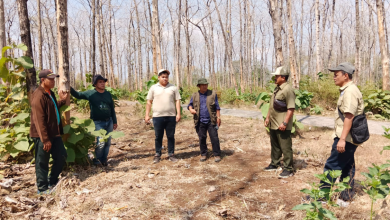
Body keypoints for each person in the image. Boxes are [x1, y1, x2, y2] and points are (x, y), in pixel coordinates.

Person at [321, 62, 364, 201]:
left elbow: (349, 116)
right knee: (347, 166)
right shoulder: (348, 89)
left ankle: (321, 197)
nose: (334, 77)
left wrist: (342, 139)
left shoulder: (350, 91)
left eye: (336, 75)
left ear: (345, 75)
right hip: (349, 137)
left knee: (332, 166)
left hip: (346, 137)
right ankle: (346, 196)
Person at [30, 69, 68, 194]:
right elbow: (39, 119)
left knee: (62, 155)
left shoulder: (49, 93)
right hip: (42, 135)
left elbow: (51, 108)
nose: (53, 81)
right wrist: (45, 139)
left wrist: (62, 101)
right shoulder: (38, 95)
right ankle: (42, 188)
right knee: (42, 161)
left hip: (54, 133)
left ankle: (52, 181)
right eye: (50, 79)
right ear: (42, 80)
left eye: (53, 79)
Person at [70, 74, 118, 166]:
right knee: (101, 142)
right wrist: (69, 88)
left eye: (103, 82)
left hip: (109, 121)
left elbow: (112, 108)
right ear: (95, 84)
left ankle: (104, 160)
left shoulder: (108, 94)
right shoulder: (91, 93)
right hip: (97, 122)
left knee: (107, 142)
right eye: (100, 82)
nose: (102, 83)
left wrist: (115, 121)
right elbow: (78, 95)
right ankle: (97, 160)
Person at [264, 66, 296, 178]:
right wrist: (267, 118)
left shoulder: (288, 90)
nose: (275, 78)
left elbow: (291, 108)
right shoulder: (277, 88)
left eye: (277, 76)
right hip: (274, 123)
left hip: (282, 124)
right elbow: (271, 105)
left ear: (283, 77)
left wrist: (285, 123)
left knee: (285, 147)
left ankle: (288, 169)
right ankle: (274, 163)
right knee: (275, 145)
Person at [145, 69, 181, 163]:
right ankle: (157, 154)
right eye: (163, 77)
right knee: (158, 136)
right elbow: (149, 101)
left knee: (170, 136)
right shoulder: (153, 88)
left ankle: (171, 154)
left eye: (166, 77)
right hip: (157, 116)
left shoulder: (173, 87)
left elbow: (177, 100)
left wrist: (178, 113)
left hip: (171, 116)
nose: (165, 79)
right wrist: (147, 115)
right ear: (159, 78)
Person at [188, 78, 222, 162]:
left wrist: (218, 117)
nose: (205, 86)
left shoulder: (213, 94)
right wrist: (191, 109)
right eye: (203, 85)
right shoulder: (195, 95)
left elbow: (217, 107)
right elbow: (190, 105)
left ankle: (217, 154)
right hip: (199, 121)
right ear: (199, 86)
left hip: (211, 120)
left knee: (214, 138)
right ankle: (203, 154)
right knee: (202, 138)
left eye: (206, 84)